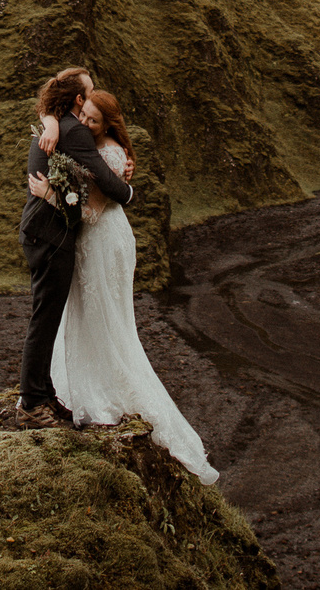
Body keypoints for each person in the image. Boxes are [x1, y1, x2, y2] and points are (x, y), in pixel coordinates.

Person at [44, 88, 218, 483]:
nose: (85, 123)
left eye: (93, 120)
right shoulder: (95, 147)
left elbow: (90, 212)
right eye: (83, 115)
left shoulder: (109, 155)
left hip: (103, 242)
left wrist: (51, 195)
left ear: (107, 124)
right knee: (94, 312)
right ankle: (83, 380)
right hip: (100, 240)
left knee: (106, 316)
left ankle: (106, 391)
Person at [15, 66, 128, 426]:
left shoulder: (54, 125)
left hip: (40, 233)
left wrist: (48, 118)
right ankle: (32, 404)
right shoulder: (73, 131)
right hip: (50, 236)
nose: (92, 97)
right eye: (89, 92)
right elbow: (105, 180)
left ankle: (45, 394)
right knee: (44, 320)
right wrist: (126, 185)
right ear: (78, 99)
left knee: (46, 316)